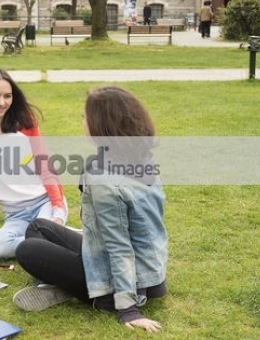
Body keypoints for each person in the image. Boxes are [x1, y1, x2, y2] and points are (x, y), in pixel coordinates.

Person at [13, 85, 168, 333]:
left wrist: (127, 308)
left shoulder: (104, 179)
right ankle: (68, 285)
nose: (82, 121)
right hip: (152, 274)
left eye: (85, 116)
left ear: (100, 124)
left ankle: (92, 295)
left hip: (128, 282)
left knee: (28, 249)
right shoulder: (141, 158)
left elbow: (120, 246)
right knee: (38, 227)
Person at [0, 67, 68, 259]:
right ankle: (55, 240)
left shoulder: (26, 123)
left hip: (45, 202)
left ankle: (51, 238)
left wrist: (58, 209)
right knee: (1, 247)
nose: (2, 102)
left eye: (7, 96)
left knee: (42, 233)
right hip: (16, 214)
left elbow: (45, 166)